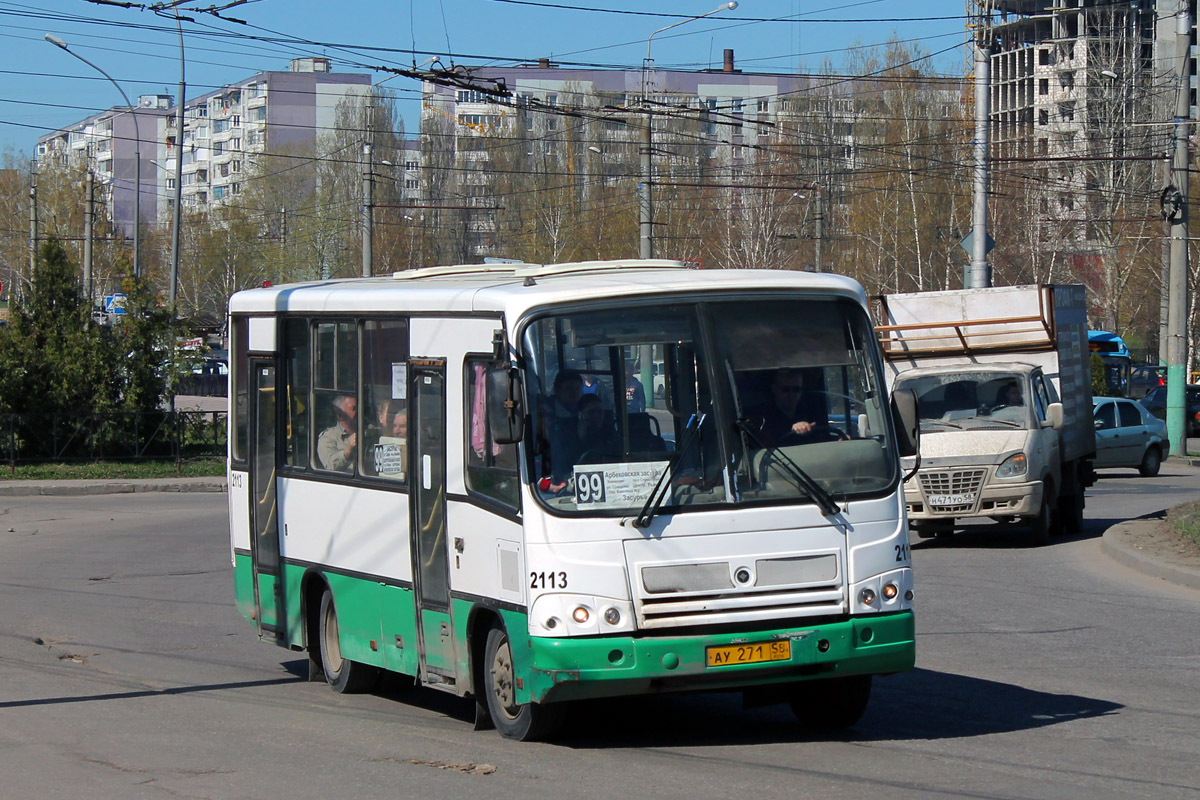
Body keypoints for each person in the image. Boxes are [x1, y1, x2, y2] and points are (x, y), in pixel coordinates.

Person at [746, 368, 822, 447]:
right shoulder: (762, 419)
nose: (791, 395)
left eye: (796, 389)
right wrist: (793, 430)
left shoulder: (812, 412)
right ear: (774, 389)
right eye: (785, 389)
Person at [317, 394, 357, 472]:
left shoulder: (369, 431)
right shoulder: (328, 437)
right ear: (340, 415)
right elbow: (330, 466)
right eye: (354, 409)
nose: (359, 412)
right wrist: (348, 452)